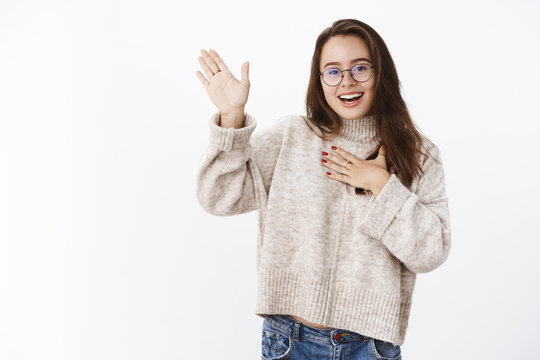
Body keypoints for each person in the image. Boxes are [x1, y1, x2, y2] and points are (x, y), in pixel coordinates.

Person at [195, 18, 451, 360]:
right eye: (333, 71)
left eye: (360, 68)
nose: (347, 81)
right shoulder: (293, 137)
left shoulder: (418, 154)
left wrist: (380, 184)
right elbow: (219, 197)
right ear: (320, 80)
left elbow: (431, 252)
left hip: (371, 347)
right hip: (289, 339)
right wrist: (232, 116)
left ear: (380, 72)